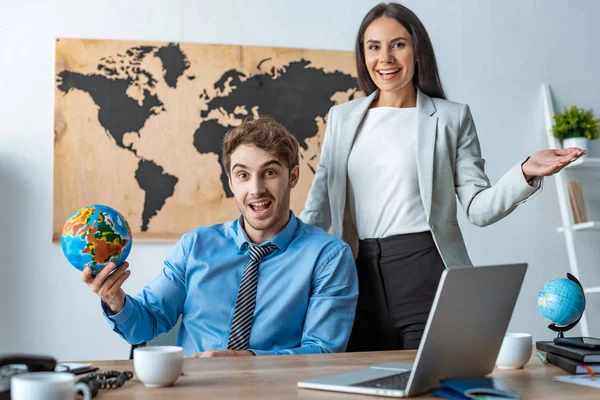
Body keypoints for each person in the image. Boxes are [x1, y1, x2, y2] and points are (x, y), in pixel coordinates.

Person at [299, 2, 586, 352]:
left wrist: (524, 171)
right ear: (363, 55)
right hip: (354, 275)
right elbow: (318, 209)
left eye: (398, 44)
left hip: (425, 268)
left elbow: (479, 209)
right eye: (374, 47)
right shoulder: (341, 119)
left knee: (432, 383)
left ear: (417, 50)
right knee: (362, 381)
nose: (385, 57)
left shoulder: (451, 118)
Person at [82, 117, 358, 357]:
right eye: (243, 175)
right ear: (230, 181)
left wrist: (248, 360)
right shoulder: (195, 247)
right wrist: (115, 300)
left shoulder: (328, 256)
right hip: (195, 390)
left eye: (270, 173)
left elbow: (323, 351)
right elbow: (146, 325)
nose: (256, 188)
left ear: (293, 176)